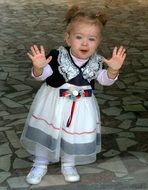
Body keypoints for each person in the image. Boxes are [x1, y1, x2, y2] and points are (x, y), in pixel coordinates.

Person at [20, 5, 126, 185]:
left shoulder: (96, 61)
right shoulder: (57, 55)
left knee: (74, 133)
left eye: (91, 39)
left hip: (82, 106)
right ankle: (40, 163)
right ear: (68, 38)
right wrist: (39, 67)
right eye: (79, 37)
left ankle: (68, 163)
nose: (85, 43)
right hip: (53, 103)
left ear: (98, 42)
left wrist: (113, 71)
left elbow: (104, 80)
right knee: (48, 131)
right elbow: (42, 75)